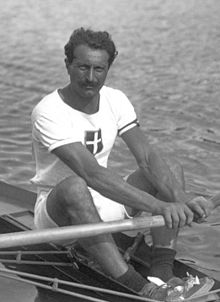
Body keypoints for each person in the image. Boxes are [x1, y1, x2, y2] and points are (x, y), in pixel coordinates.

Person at [31, 27, 215, 300]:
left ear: (108, 68)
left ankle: (162, 271)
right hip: (58, 218)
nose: (91, 78)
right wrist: (160, 207)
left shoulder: (115, 100)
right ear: (67, 64)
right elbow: (91, 173)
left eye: (99, 69)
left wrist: (181, 198)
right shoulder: (48, 111)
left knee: (170, 170)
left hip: (103, 205)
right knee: (74, 186)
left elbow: (147, 157)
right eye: (82, 67)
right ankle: (139, 287)